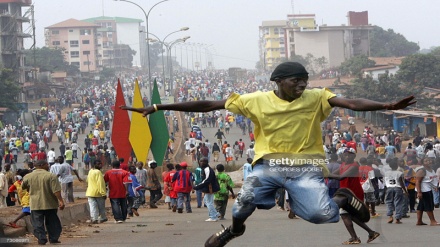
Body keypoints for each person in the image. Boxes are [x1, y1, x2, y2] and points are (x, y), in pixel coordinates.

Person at [121, 61, 415, 246]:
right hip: (269, 164)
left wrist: (386, 106)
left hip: (305, 166)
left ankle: (339, 198)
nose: (302, 85)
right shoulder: (255, 100)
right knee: (245, 200)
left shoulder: (317, 96)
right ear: (279, 82)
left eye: (305, 80)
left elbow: (351, 102)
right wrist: (159, 108)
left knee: (319, 215)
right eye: (296, 81)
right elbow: (210, 105)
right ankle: (233, 231)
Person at [22, 160, 65, 245]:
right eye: (47, 164)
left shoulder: (28, 176)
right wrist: (61, 201)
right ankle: (53, 238)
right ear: (42, 165)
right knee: (53, 222)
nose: (48, 166)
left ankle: (41, 239)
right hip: (50, 203)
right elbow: (56, 191)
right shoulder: (51, 176)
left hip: (35, 204)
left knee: (37, 223)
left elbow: (23, 187)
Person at [193, 158, 220, 222]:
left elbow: (207, 180)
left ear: (207, 162)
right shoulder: (204, 169)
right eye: (201, 161)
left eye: (203, 161)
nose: (202, 163)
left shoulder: (207, 169)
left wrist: (197, 187)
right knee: (206, 200)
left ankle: (213, 217)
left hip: (210, 188)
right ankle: (215, 213)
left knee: (209, 202)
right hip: (207, 188)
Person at [415, 158, 439, 226]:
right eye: (426, 161)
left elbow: (432, 180)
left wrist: (435, 187)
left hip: (428, 189)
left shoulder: (431, 170)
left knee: (421, 206)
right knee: (429, 205)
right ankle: (432, 221)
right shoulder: (422, 171)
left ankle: (419, 221)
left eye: (429, 160)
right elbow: (418, 181)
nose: (428, 162)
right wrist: (419, 192)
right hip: (424, 190)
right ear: (423, 163)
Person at [384, 157, 408, 224]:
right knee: (398, 202)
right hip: (397, 188)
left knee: (389, 202)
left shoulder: (386, 173)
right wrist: (405, 191)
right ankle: (397, 218)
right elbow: (401, 182)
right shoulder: (399, 173)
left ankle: (390, 216)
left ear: (390, 166)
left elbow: (385, 181)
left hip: (389, 188)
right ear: (397, 165)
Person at [86, 160, 108, 224]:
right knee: (101, 206)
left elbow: (87, 180)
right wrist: (103, 193)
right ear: (94, 165)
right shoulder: (98, 172)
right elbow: (100, 183)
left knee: (92, 206)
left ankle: (94, 218)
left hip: (90, 192)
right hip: (98, 192)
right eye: (98, 164)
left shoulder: (90, 171)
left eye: (100, 164)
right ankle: (103, 217)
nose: (100, 165)